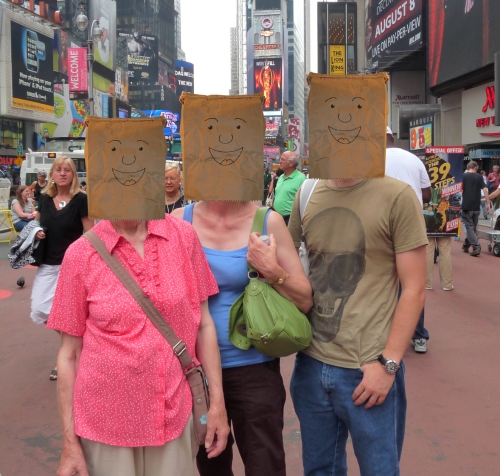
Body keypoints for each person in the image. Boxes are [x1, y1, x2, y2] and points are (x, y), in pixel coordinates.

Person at [47, 213, 229, 476]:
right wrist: (69, 443)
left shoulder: (182, 235)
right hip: (105, 422)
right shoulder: (81, 253)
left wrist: (217, 405)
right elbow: (68, 355)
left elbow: (203, 325)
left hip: (172, 412)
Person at [288, 173, 427, 475]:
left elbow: (414, 288)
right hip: (310, 366)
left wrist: (388, 364)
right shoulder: (308, 192)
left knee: (380, 470)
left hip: (368, 368)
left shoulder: (397, 196)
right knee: (319, 469)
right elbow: (293, 267)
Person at [173, 200, 312, 476]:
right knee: (212, 463)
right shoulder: (180, 220)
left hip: (254, 370)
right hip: (196, 372)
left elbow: (304, 299)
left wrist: (273, 272)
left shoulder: (267, 221)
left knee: (265, 465)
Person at [32, 156, 93, 380]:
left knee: (70, 312)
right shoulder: (45, 198)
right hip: (48, 261)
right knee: (40, 307)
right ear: (52, 174)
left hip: (73, 265)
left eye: (67, 170)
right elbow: (35, 224)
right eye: (58, 170)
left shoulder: (81, 199)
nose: (63, 173)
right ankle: (76, 344)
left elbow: (89, 233)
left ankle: (66, 354)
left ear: (73, 174)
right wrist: (36, 232)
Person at [385, 127, 432, 354]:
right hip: (413, 225)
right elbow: (427, 195)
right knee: (413, 284)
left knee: (382, 280)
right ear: (393, 138)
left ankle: (388, 335)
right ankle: (419, 335)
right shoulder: (413, 159)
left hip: (382, 225)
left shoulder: (371, 160)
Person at [461, 161, 490, 256]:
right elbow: (485, 189)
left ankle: (476, 246)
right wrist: (488, 203)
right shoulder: (480, 177)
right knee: (472, 228)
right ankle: (466, 245)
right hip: (476, 206)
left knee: (469, 227)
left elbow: (460, 190)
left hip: (466, 205)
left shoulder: (463, 176)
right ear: (474, 167)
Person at [274, 152, 306, 225]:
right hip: (277, 218)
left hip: (290, 220)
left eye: (282, 159)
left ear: (291, 163)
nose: (280, 161)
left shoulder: (301, 179)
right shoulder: (281, 177)